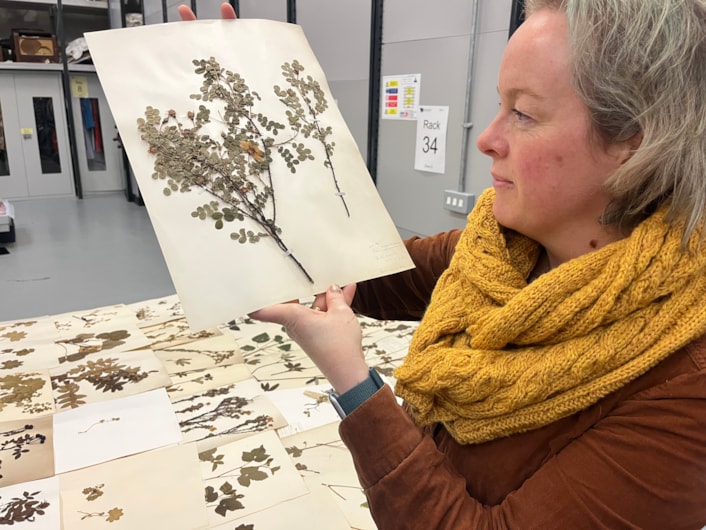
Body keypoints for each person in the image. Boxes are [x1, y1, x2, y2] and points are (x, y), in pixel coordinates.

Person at [183, 1, 706, 527]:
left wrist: (356, 384)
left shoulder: (685, 387)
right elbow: (359, 274)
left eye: (523, 114)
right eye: (500, 106)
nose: (487, 138)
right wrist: (252, 129)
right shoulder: (499, 251)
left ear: (635, 142)